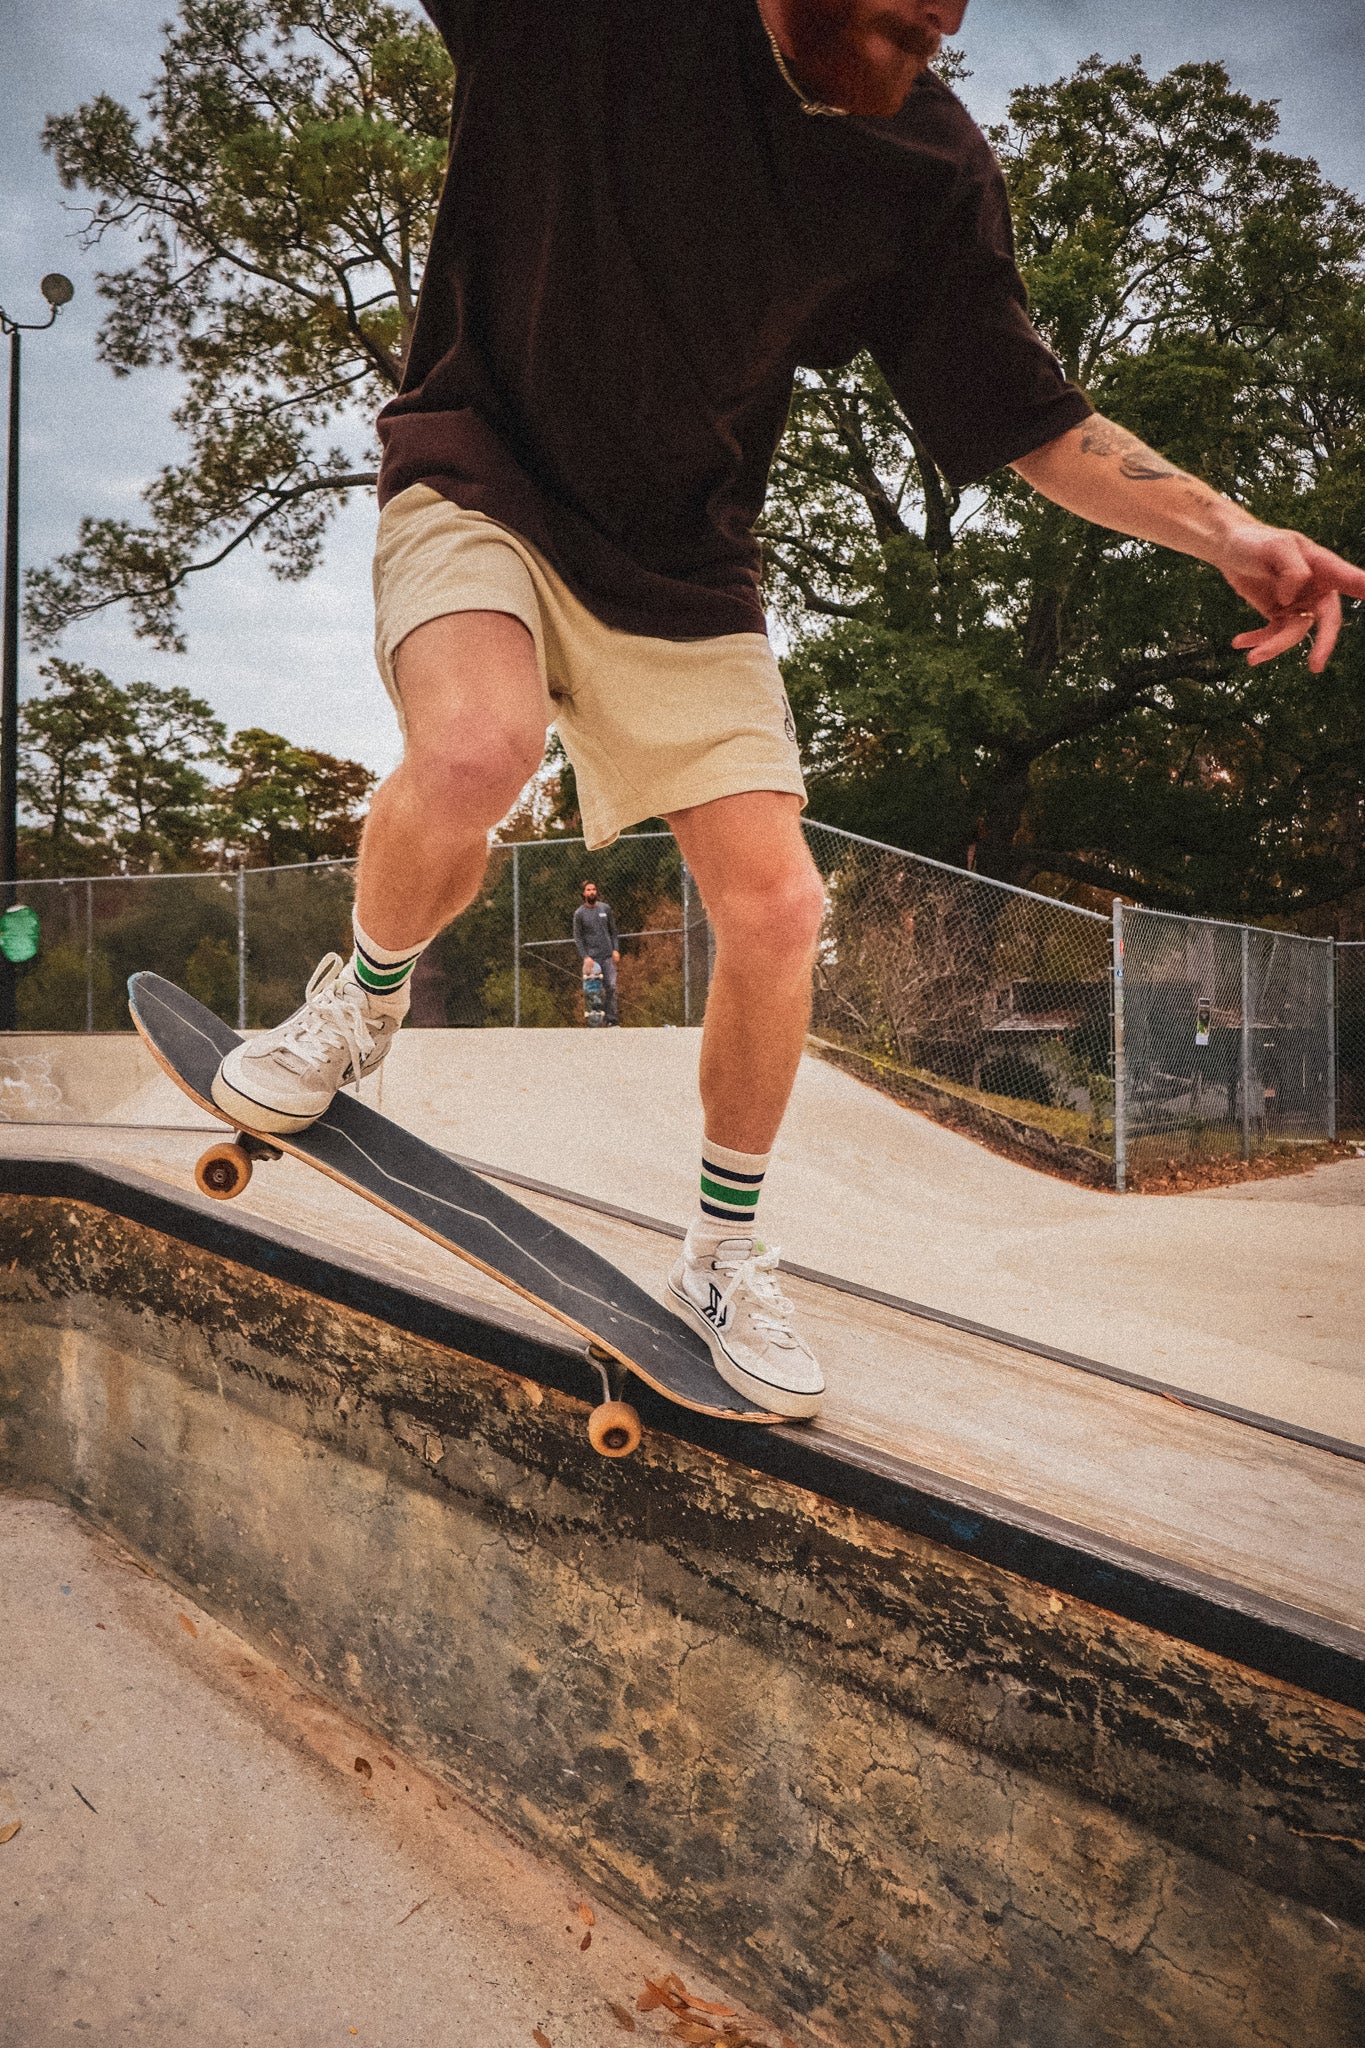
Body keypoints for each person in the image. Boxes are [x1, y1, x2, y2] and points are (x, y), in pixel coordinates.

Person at [212, 0, 1365, 1424]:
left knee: (777, 909)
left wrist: (1226, 529)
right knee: (475, 746)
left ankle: (722, 1250)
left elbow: (1034, 417)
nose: (929, 34)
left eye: (942, 24)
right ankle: (360, 1008)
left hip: (685, 563)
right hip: (480, 470)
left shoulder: (926, 168)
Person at [573, 881, 620, 1025]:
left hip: (607, 956)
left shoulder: (605, 909)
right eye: (588, 890)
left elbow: (613, 931)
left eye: (593, 889)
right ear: (584, 893)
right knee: (593, 990)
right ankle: (595, 1020)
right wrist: (585, 957)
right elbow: (578, 938)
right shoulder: (579, 914)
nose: (591, 892)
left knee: (611, 986)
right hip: (592, 959)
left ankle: (611, 1020)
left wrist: (615, 949)